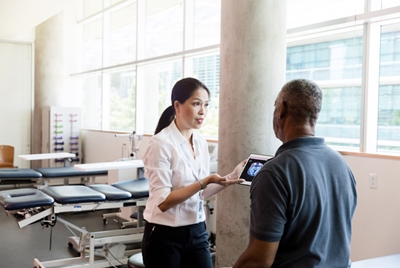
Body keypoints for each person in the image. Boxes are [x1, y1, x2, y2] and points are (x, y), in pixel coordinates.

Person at [233, 79, 357, 268]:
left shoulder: (274, 173)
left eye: (275, 106)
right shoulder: (340, 164)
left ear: (281, 109)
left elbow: (258, 260)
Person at [141, 77, 245, 268]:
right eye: (196, 104)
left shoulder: (200, 142)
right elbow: (163, 203)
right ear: (178, 106)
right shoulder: (161, 143)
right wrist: (204, 182)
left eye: (206, 105)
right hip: (165, 235)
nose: (202, 111)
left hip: (197, 231)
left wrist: (229, 177)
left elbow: (201, 193)